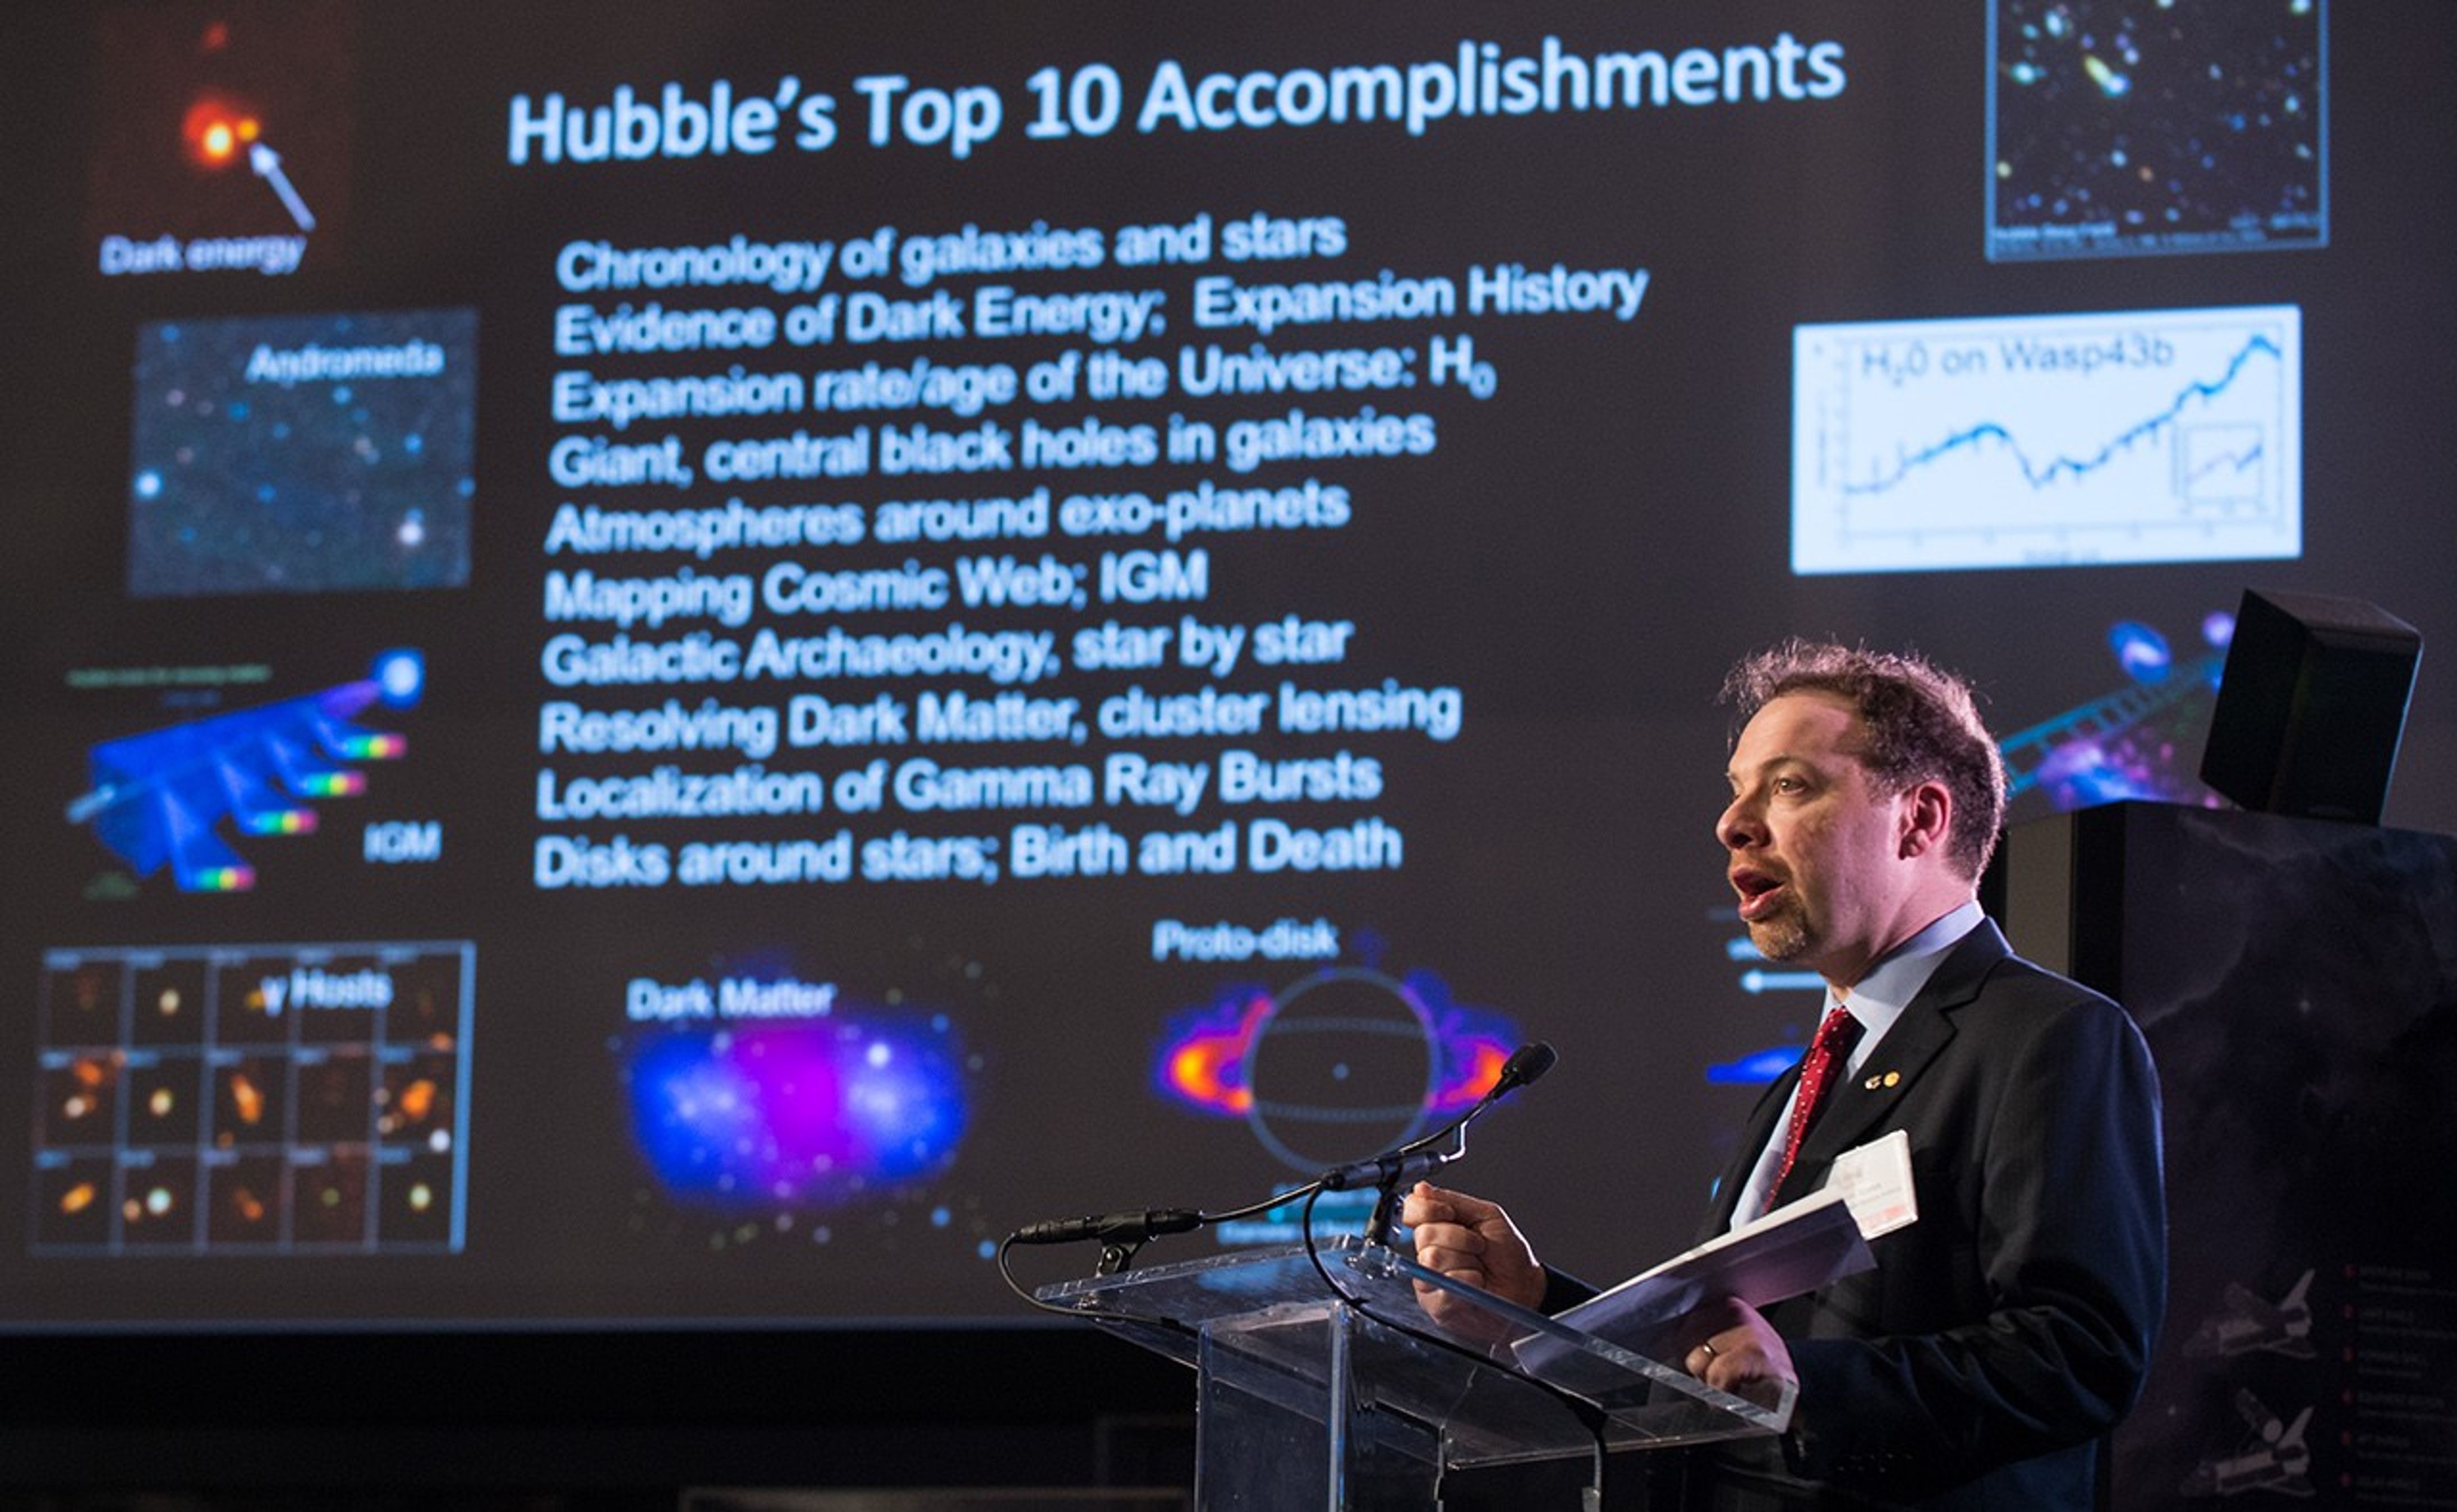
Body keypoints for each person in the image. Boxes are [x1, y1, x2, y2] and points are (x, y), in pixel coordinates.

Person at [1404, 639, 2167, 1509]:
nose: (1732, 824)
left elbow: (2080, 1355)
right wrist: (1535, 1308)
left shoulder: (2048, 1037)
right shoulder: (1809, 1076)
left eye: (1790, 785)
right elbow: (1726, 1357)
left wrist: (1807, 1383)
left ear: (1919, 820)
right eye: (1737, 790)